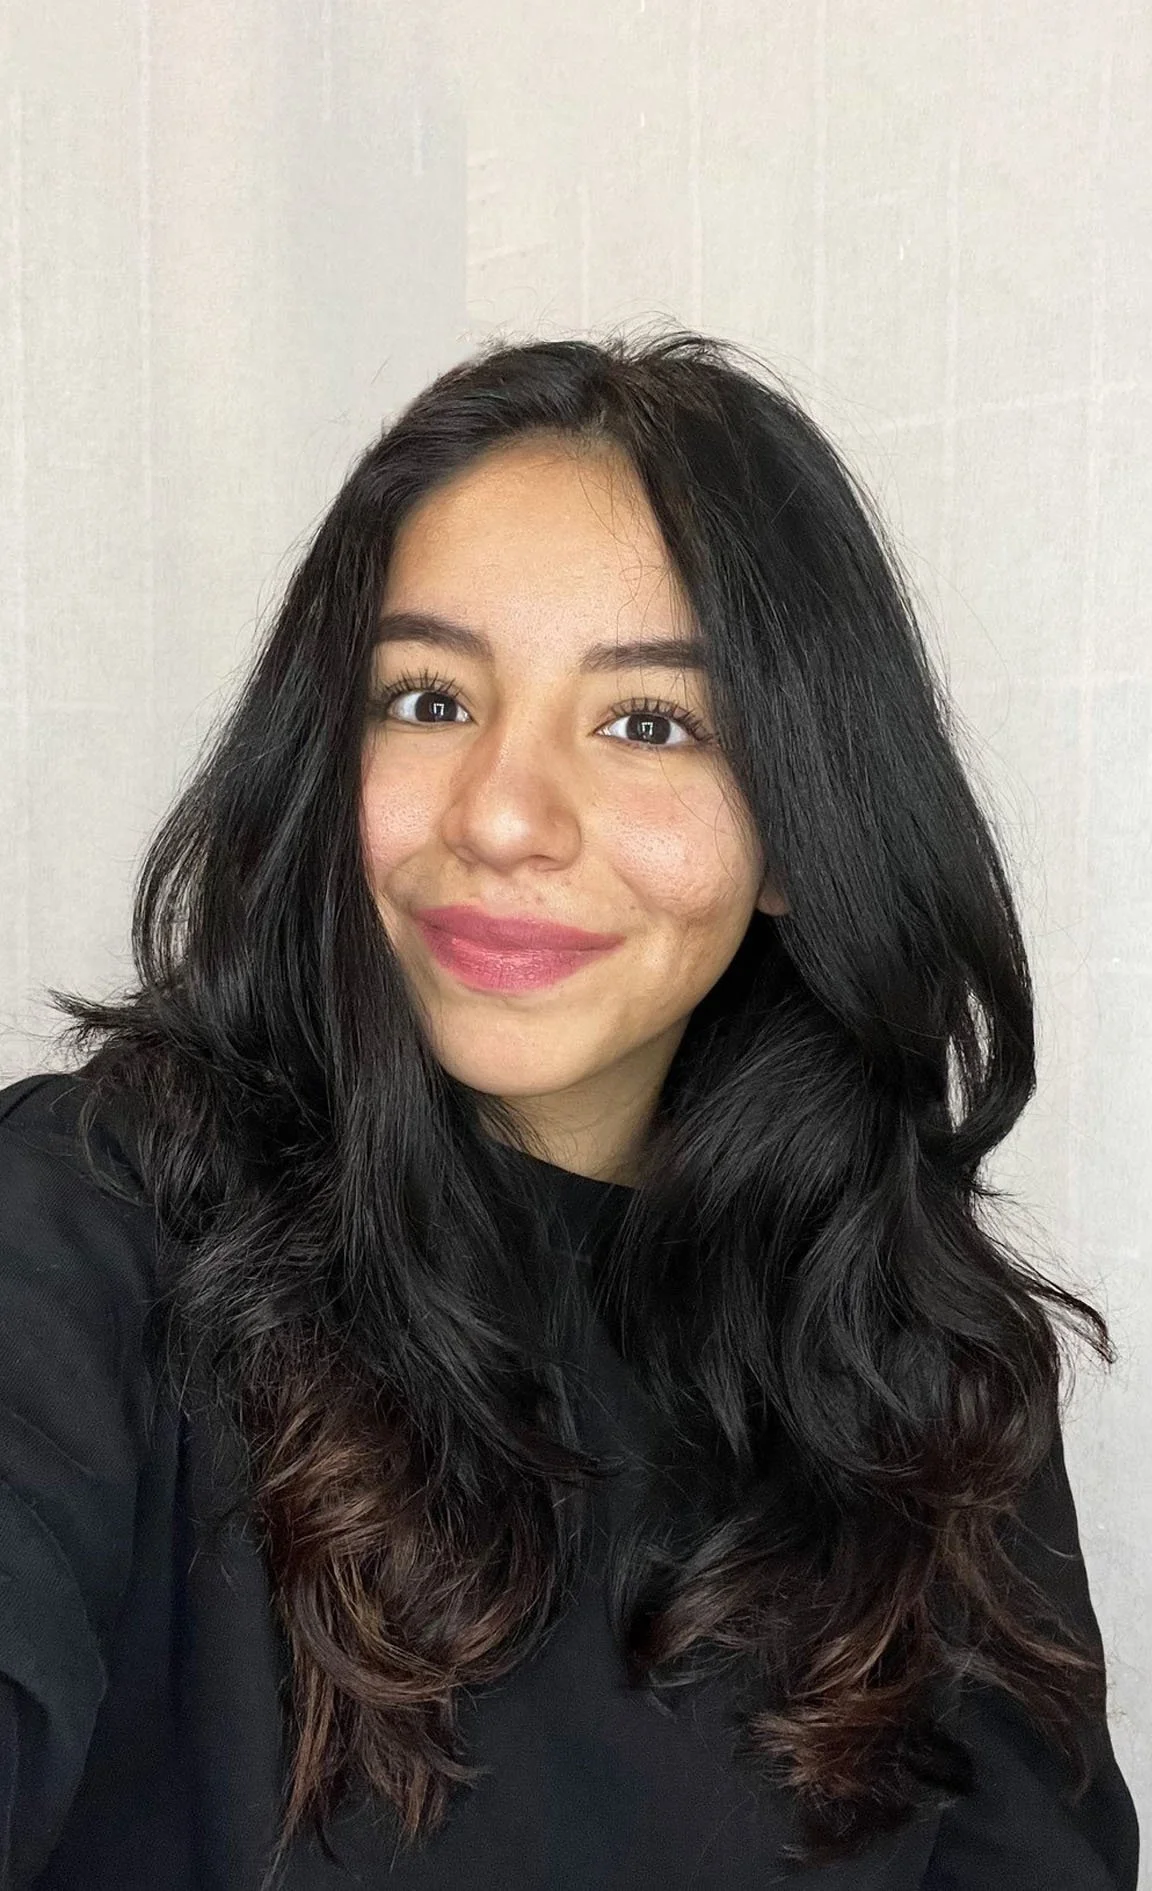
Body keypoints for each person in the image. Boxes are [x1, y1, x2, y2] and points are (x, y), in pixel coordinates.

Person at [0, 329, 1139, 1891]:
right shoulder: (91, 1220)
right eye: (426, 697)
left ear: (799, 827)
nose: (503, 815)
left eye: (650, 722)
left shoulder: (923, 1369)